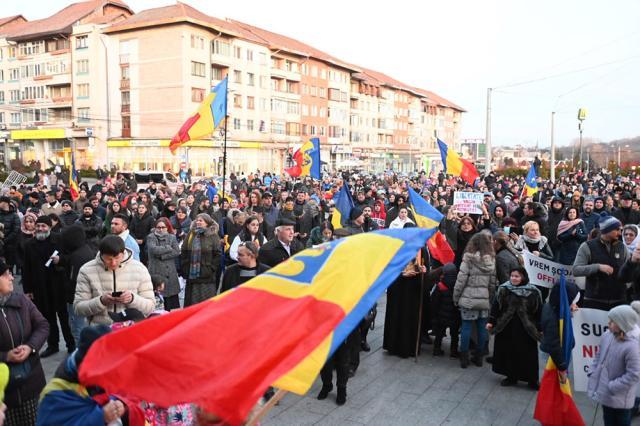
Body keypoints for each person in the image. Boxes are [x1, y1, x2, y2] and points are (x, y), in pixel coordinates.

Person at [37, 325, 131, 425]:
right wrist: (100, 416)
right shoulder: (54, 396)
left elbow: (112, 395)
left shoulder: (97, 378)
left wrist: (119, 404)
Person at [0, 259, 49, 426]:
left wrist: (30, 347)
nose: (12, 278)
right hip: (3, 392)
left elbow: (42, 325)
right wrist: (6, 356)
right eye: (6, 274)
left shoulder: (21, 300)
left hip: (31, 382)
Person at [22, 216, 74, 358]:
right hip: (40, 288)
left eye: (43, 226)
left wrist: (60, 260)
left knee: (64, 317)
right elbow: (25, 269)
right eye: (38, 226)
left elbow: (70, 258)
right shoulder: (29, 244)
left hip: (58, 286)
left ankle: (71, 344)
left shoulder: (59, 240)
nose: (40, 229)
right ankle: (53, 345)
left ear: (50, 227)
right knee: (47, 317)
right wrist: (28, 290)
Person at [74, 235, 155, 325]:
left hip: (130, 330)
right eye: (109, 259)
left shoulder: (140, 269)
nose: (113, 263)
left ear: (123, 253)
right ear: (101, 254)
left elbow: (150, 307)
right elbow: (78, 308)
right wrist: (101, 301)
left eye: (117, 258)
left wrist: (132, 299)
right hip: (100, 330)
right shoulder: (87, 270)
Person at [486, 267, 542, 389]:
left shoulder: (533, 292)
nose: (514, 278)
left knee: (528, 354)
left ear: (523, 277)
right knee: (509, 352)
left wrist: (540, 327)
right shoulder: (504, 289)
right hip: (507, 327)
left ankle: (532, 380)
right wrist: (491, 321)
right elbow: (496, 307)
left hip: (526, 329)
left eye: (517, 276)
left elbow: (538, 311)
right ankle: (511, 377)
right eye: (512, 276)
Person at [587, 305, 640, 426]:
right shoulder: (607, 335)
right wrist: (593, 371)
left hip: (620, 398)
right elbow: (599, 356)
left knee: (621, 422)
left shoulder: (632, 347)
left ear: (622, 324)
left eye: (612, 321)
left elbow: (634, 374)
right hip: (606, 394)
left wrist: (612, 386)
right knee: (608, 419)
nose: (608, 323)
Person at [453, 232, 497, 368]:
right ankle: (479, 357)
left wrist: (456, 296)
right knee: (482, 328)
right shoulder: (491, 259)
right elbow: (492, 283)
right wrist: (489, 298)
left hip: (468, 298)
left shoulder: (468, 257)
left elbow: (461, 279)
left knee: (466, 327)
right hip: (483, 298)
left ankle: (464, 357)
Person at [574, 215, 636, 310]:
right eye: (617, 229)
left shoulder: (622, 247)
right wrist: (597, 267)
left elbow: (629, 270)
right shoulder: (587, 246)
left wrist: (624, 286)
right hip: (594, 300)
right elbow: (576, 270)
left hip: (619, 300)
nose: (620, 233)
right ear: (607, 230)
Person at [383, 227, 428, 359]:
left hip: (413, 287)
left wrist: (424, 270)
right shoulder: (395, 248)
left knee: (410, 317)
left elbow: (425, 267)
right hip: (398, 287)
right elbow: (388, 268)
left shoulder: (421, 249)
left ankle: (409, 347)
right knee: (396, 315)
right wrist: (402, 273)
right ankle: (394, 346)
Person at [57, 225, 97, 345]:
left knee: (78, 330)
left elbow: (74, 281)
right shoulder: (85, 249)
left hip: (77, 299)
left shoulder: (77, 256)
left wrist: (68, 298)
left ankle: (81, 357)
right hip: (87, 297)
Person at [540, 279, 580, 388]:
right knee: (557, 384)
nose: (574, 304)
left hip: (559, 353)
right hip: (556, 356)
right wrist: (562, 367)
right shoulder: (552, 316)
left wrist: (569, 310)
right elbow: (553, 343)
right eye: (572, 301)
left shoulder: (553, 307)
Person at [180, 213, 222, 307]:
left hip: (206, 276)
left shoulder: (213, 236)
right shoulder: (191, 234)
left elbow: (218, 254)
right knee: (191, 304)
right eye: (197, 220)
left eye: (200, 220)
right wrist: (185, 266)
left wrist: (210, 269)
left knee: (205, 305)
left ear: (207, 223)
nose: (198, 222)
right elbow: (184, 250)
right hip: (192, 275)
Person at [146, 218, 181, 311]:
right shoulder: (151, 237)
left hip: (170, 272)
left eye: (163, 227)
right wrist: (168, 247)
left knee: (171, 301)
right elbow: (154, 250)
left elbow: (177, 251)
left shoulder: (172, 237)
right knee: (158, 298)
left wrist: (163, 256)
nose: (161, 229)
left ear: (167, 228)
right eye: (158, 227)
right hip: (156, 270)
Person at [430, 263, 460, 358]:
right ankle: (453, 351)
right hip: (454, 316)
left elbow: (434, 302)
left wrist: (434, 315)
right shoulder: (458, 286)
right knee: (454, 335)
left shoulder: (440, 286)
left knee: (439, 333)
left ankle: (437, 350)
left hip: (441, 316)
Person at [0, 196, 21, 272]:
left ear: (5, 203)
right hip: (0, 244)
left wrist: (5, 240)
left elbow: (15, 231)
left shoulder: (14, 215)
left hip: (10, 244)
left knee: (10, 264)